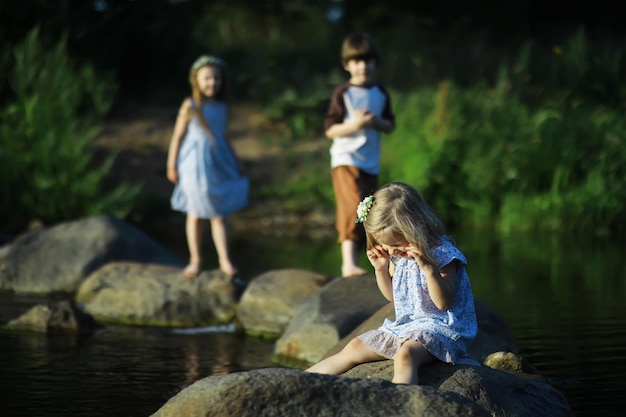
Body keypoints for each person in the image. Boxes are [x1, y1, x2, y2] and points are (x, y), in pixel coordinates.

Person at [306, 182, 479, 385]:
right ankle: (298, 380)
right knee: (353, 347)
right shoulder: (397, 257)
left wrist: (429, 269)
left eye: (396, 245)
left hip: (441, 329)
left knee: (405, 355)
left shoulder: (442, 253)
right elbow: (394, 297)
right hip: (407, 326)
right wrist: (380, 270)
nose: (392, 251)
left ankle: (399, 401)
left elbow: (443, 303)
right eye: (386, 246)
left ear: (416, 229)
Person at [166, 55, 248, 278]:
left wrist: (238, 162)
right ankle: (195, 259)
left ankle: (225, 260)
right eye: (207, 79)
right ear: (196, 80)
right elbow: (177, 137)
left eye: (217, 79)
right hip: (193, 164)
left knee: (218, 213)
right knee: (194, 212)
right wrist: (171, 164)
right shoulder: (190, 105)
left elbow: (225, 136)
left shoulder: (222, 106)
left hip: (217, 163)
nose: (212, 83)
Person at [325, 32, 395, 277]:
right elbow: (331, 129)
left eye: (367, 60)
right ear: (347, 65)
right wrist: (355, 125)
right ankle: (348, 264)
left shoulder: (380, 93)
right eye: (356, 61)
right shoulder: (343, 93)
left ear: (374, 63)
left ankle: (372, 261)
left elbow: (390, 125)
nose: (362, 66)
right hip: (346, 159)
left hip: (370, 162)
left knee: (370, 209)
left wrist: (375, 121)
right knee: (351, 207)